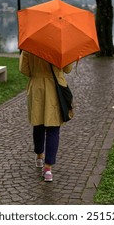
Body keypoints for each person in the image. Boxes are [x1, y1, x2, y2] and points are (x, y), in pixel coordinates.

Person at [19, 50, 73, 182]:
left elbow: (23, 69)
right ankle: (48, 168)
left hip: (36, 87)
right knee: (53, 128)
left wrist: (37, 73)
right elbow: (67, 69)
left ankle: (39, 156)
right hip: (55, 88)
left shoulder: (30, 46)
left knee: (38, 123)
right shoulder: (60, 47)